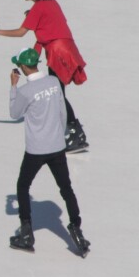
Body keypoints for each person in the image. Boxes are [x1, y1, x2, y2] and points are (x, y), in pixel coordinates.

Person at [0, 0, 89, 153]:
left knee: (59, 94)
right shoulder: (50, 3)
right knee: (58, 93)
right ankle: (73, 131)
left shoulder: (39, 8)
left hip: (58, 52)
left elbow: (20, 32)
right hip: (65, 48)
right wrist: (32, 61)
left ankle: (76, 132)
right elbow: (42, 37)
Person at [7, 49, 90, 256]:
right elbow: (62, 113)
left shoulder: (26, 91)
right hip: (57, 146)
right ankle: (76, 228)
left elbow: (14, 113)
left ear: (24, 68)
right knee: (66, 188)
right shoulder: (53, 83)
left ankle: (27, 234)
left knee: (23, 186)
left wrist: (13, 87)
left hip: (36, 149)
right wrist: (59, 137)